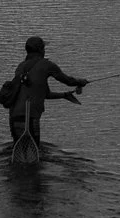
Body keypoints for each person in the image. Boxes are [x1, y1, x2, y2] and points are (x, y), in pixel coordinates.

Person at [7, 35, 86, 163]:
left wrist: (64, 95)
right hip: (31, 116)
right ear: (40, 50)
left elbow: (45, 94)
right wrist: (80, 82)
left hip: (14, 116)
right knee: (33, 157)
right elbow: (67, 80)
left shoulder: (20, 67)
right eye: (44, 48)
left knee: (20, 155)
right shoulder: (47, 65)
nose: (45, 51)